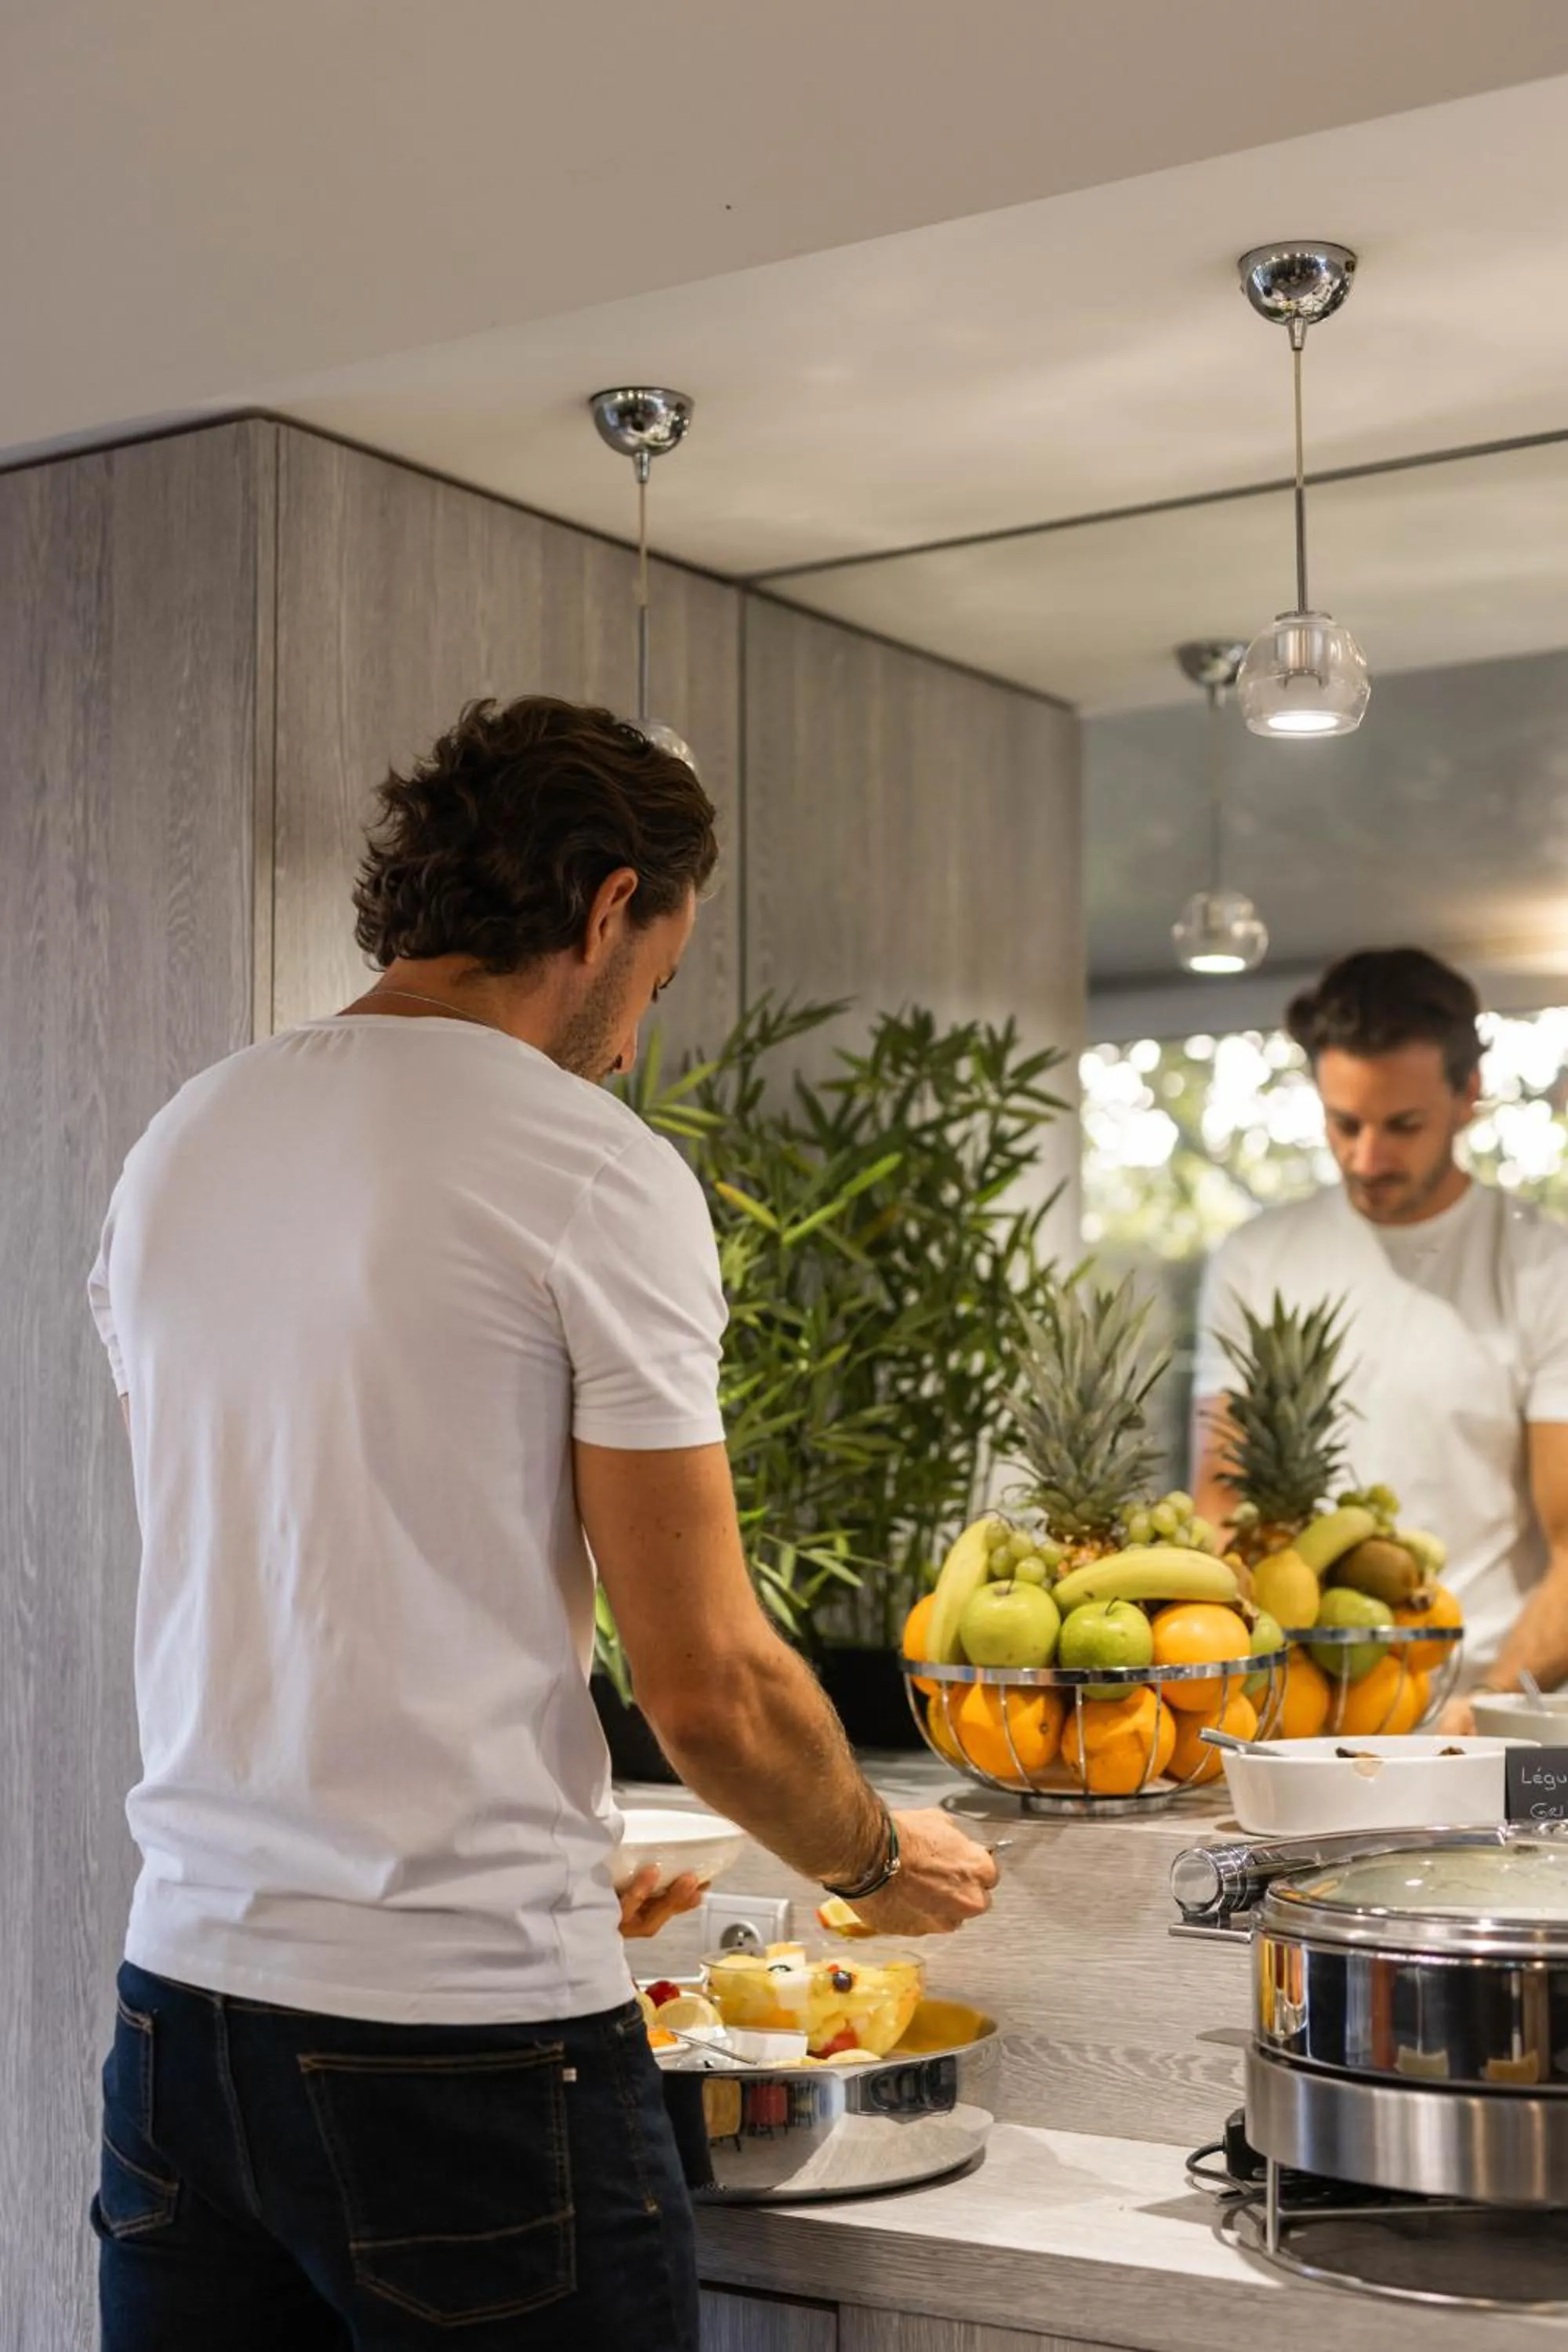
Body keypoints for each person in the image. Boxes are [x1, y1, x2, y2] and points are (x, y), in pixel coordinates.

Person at [88, 695, 997, 2352]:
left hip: (179, 2024)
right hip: (463, 2052)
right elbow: (707, 1691)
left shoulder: (183, 1141)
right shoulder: (587, 1167)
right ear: (603, 910)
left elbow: (287, 1568)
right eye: (656, 972)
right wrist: (874, 1851)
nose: (639, 1030)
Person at [1191, 947, 1568, 1712]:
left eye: (1401, 1125)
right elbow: (1220, 1502)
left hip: (1481, 1705)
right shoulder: (1255, 1259)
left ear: (1468, 1094)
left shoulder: (1542, 1265)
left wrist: (1487, 1711)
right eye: (1343, 1123)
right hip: (1284, 1711)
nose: (1366, 1157)